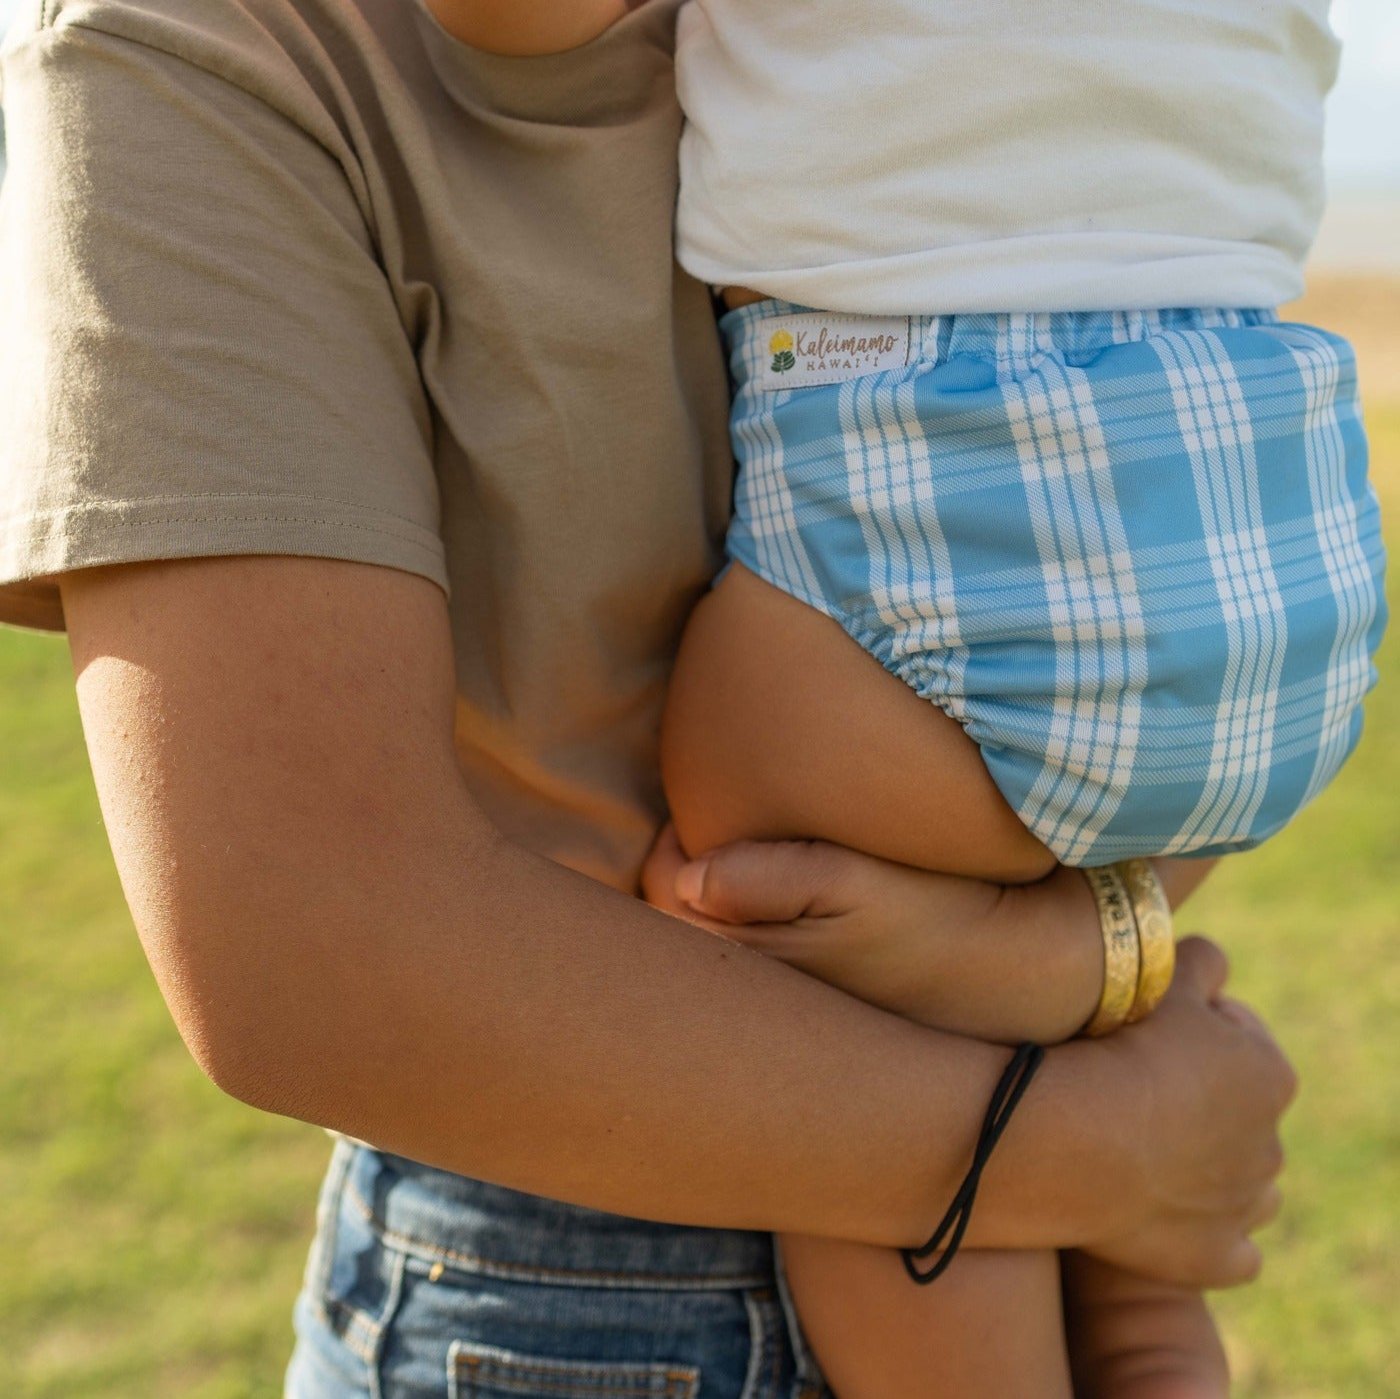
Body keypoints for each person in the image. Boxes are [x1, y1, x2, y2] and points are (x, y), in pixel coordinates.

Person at [0, 1, 1296, 1395]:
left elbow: (1160, 606)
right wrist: (1095, 1148)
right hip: (580, 1295)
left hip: (1000, 1160)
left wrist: (1078, 969)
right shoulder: (186, 44)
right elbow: (301, 955)